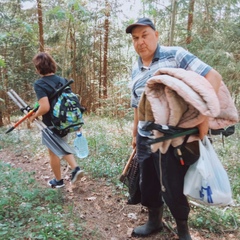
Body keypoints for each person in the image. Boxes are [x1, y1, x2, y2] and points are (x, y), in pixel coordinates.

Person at [125, 18, 222, 240]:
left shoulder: (175, 55)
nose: (140, 41)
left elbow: (212, 77)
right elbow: (136, 105)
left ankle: (183, 230)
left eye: (145, 35)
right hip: (145, 136)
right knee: (147, 182)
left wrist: (201, 119)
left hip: (172, 138)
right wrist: (134, 135)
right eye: (135, 38)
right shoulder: (135, 67)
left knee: (173, 184)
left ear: (156, 35)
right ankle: (154, 222)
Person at [29, 52, 84, 188]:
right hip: (64, 122)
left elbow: (45, 107)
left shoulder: (40, 84)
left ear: (38, 69)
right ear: (53, 65)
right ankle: (61, 177)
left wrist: (34, 116)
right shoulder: (63, 80)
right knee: (59, 147)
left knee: (54, 151)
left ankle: (69, 173)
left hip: (50, 124)